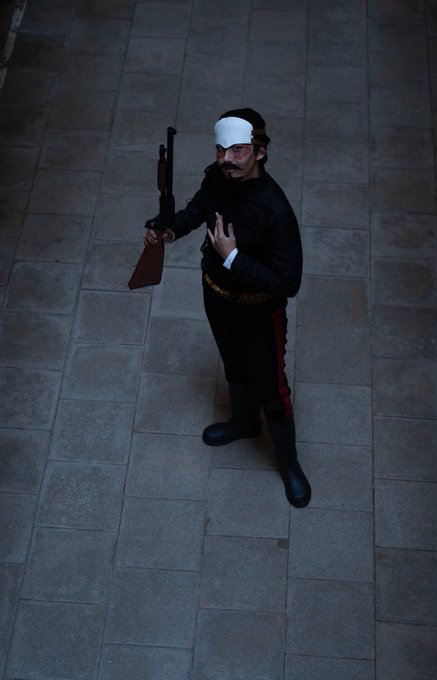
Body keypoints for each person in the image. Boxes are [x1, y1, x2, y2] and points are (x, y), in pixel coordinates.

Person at [144, 108, 311, 508]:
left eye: (237, 150)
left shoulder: (276, 212)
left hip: (260, 312)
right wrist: (170, 230)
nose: (226, 159)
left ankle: (289, 463)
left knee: (272, 386)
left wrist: (233, 257)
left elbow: (288, 283)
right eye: (221, 150)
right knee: (234, 364)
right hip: (216, 295)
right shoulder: (216, 177)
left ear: (260, 152)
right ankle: (243, 422)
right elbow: (199, 207)